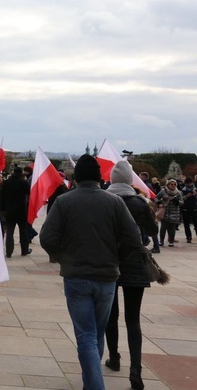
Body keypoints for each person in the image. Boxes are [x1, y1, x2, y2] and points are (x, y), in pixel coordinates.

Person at [40, 154, 143, 390]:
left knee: (87, 334)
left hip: (76, 275)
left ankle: (94, 385)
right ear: (99, 178)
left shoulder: (64, 202)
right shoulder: (114, 202)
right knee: (95, 333)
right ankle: (92, 382)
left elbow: (47, 237)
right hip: (106, 276)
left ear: (76, 178)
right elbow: (134, 238)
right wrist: (117, 256)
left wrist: (62, 256)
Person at [104, 160, 158, 390]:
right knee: (133, 319)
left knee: (111, 315)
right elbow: (154, 230)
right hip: (135, 262)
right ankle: (136, 369)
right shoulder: (139, 202)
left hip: (111, 261)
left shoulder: (105, 200)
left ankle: (114, 357)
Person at [0, 167, 31, 257]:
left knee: (10, 232)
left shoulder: (6, 183)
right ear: (21, 173)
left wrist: (3, 209)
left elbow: (2, 197)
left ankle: (9, 252)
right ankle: (24, 250)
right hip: (21, 210)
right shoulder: (23, 182)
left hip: (10, 210)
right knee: (23, 231)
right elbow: (29, 192)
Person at [155, 179, 183, 247]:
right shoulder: (163, 191)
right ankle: (161, 241)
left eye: (174, 184)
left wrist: (177, 202)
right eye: (171, 184)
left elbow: (182, 202)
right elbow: (156, 198)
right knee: (163, 228)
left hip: (174, 212)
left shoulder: (178, 193)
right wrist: (159, 202)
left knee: (172, 229)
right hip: (165, 211)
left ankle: (171, 241)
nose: (173, 186)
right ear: (168, 185)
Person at [181, 177, 197, 243]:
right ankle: (188, 237)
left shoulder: (195, 189)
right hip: (185, 209)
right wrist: (187, 196)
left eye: (190, 183)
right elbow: (181, 199)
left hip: (194, 208)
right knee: (186, 224)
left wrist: (195, 194)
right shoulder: (183, 190)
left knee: (196, 223)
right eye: (188, 183)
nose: (189, 185)